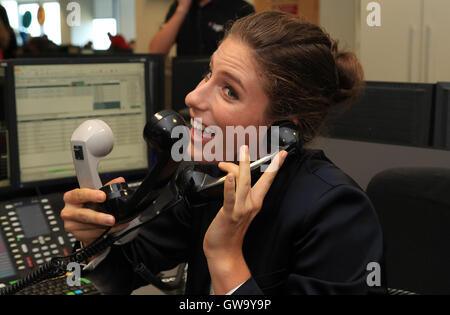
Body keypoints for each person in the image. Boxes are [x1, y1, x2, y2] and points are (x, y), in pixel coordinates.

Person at [61, 11, 386, 295]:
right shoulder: (208, 181)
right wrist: (95, 243)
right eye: (208, 73)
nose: (192, 97)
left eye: (230, 91)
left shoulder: (337, 212)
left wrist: (225, 256)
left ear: (282, 129)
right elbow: (121, 275)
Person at [149, 0, 254, 56]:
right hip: (185, 84)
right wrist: (182, 9)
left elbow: (250, 54)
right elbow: (156, 52)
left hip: (222, 85)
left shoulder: (241, 8)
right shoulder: (179, 7)